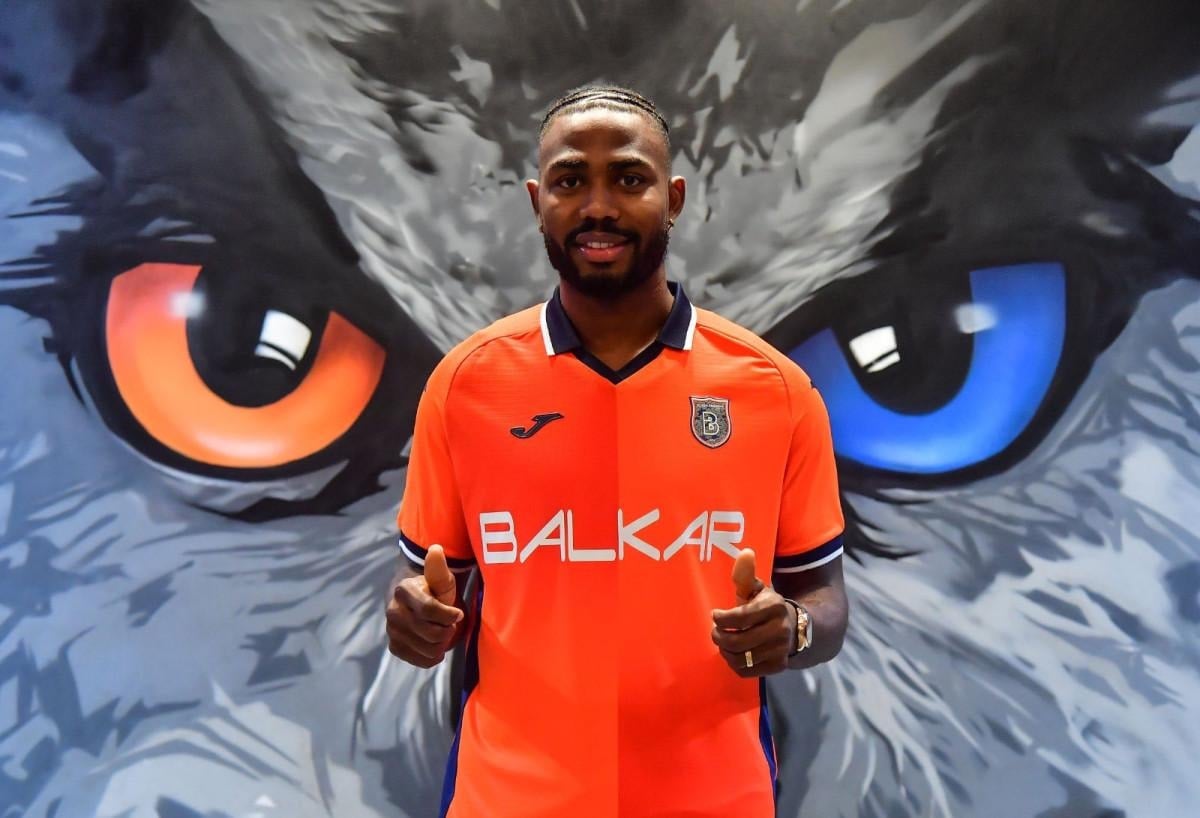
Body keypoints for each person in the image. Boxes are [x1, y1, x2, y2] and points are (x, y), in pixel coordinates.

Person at [385, 85, 848, 818]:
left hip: (712, 801)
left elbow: (825, 599)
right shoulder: (466, 385)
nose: (598, 206)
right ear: (538, 201)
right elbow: (427, 587)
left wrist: (792, 628)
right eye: (570, 181)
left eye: (629, 179)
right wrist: (414, 618)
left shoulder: (773, 390)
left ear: (674, 198)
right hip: (508, 799)